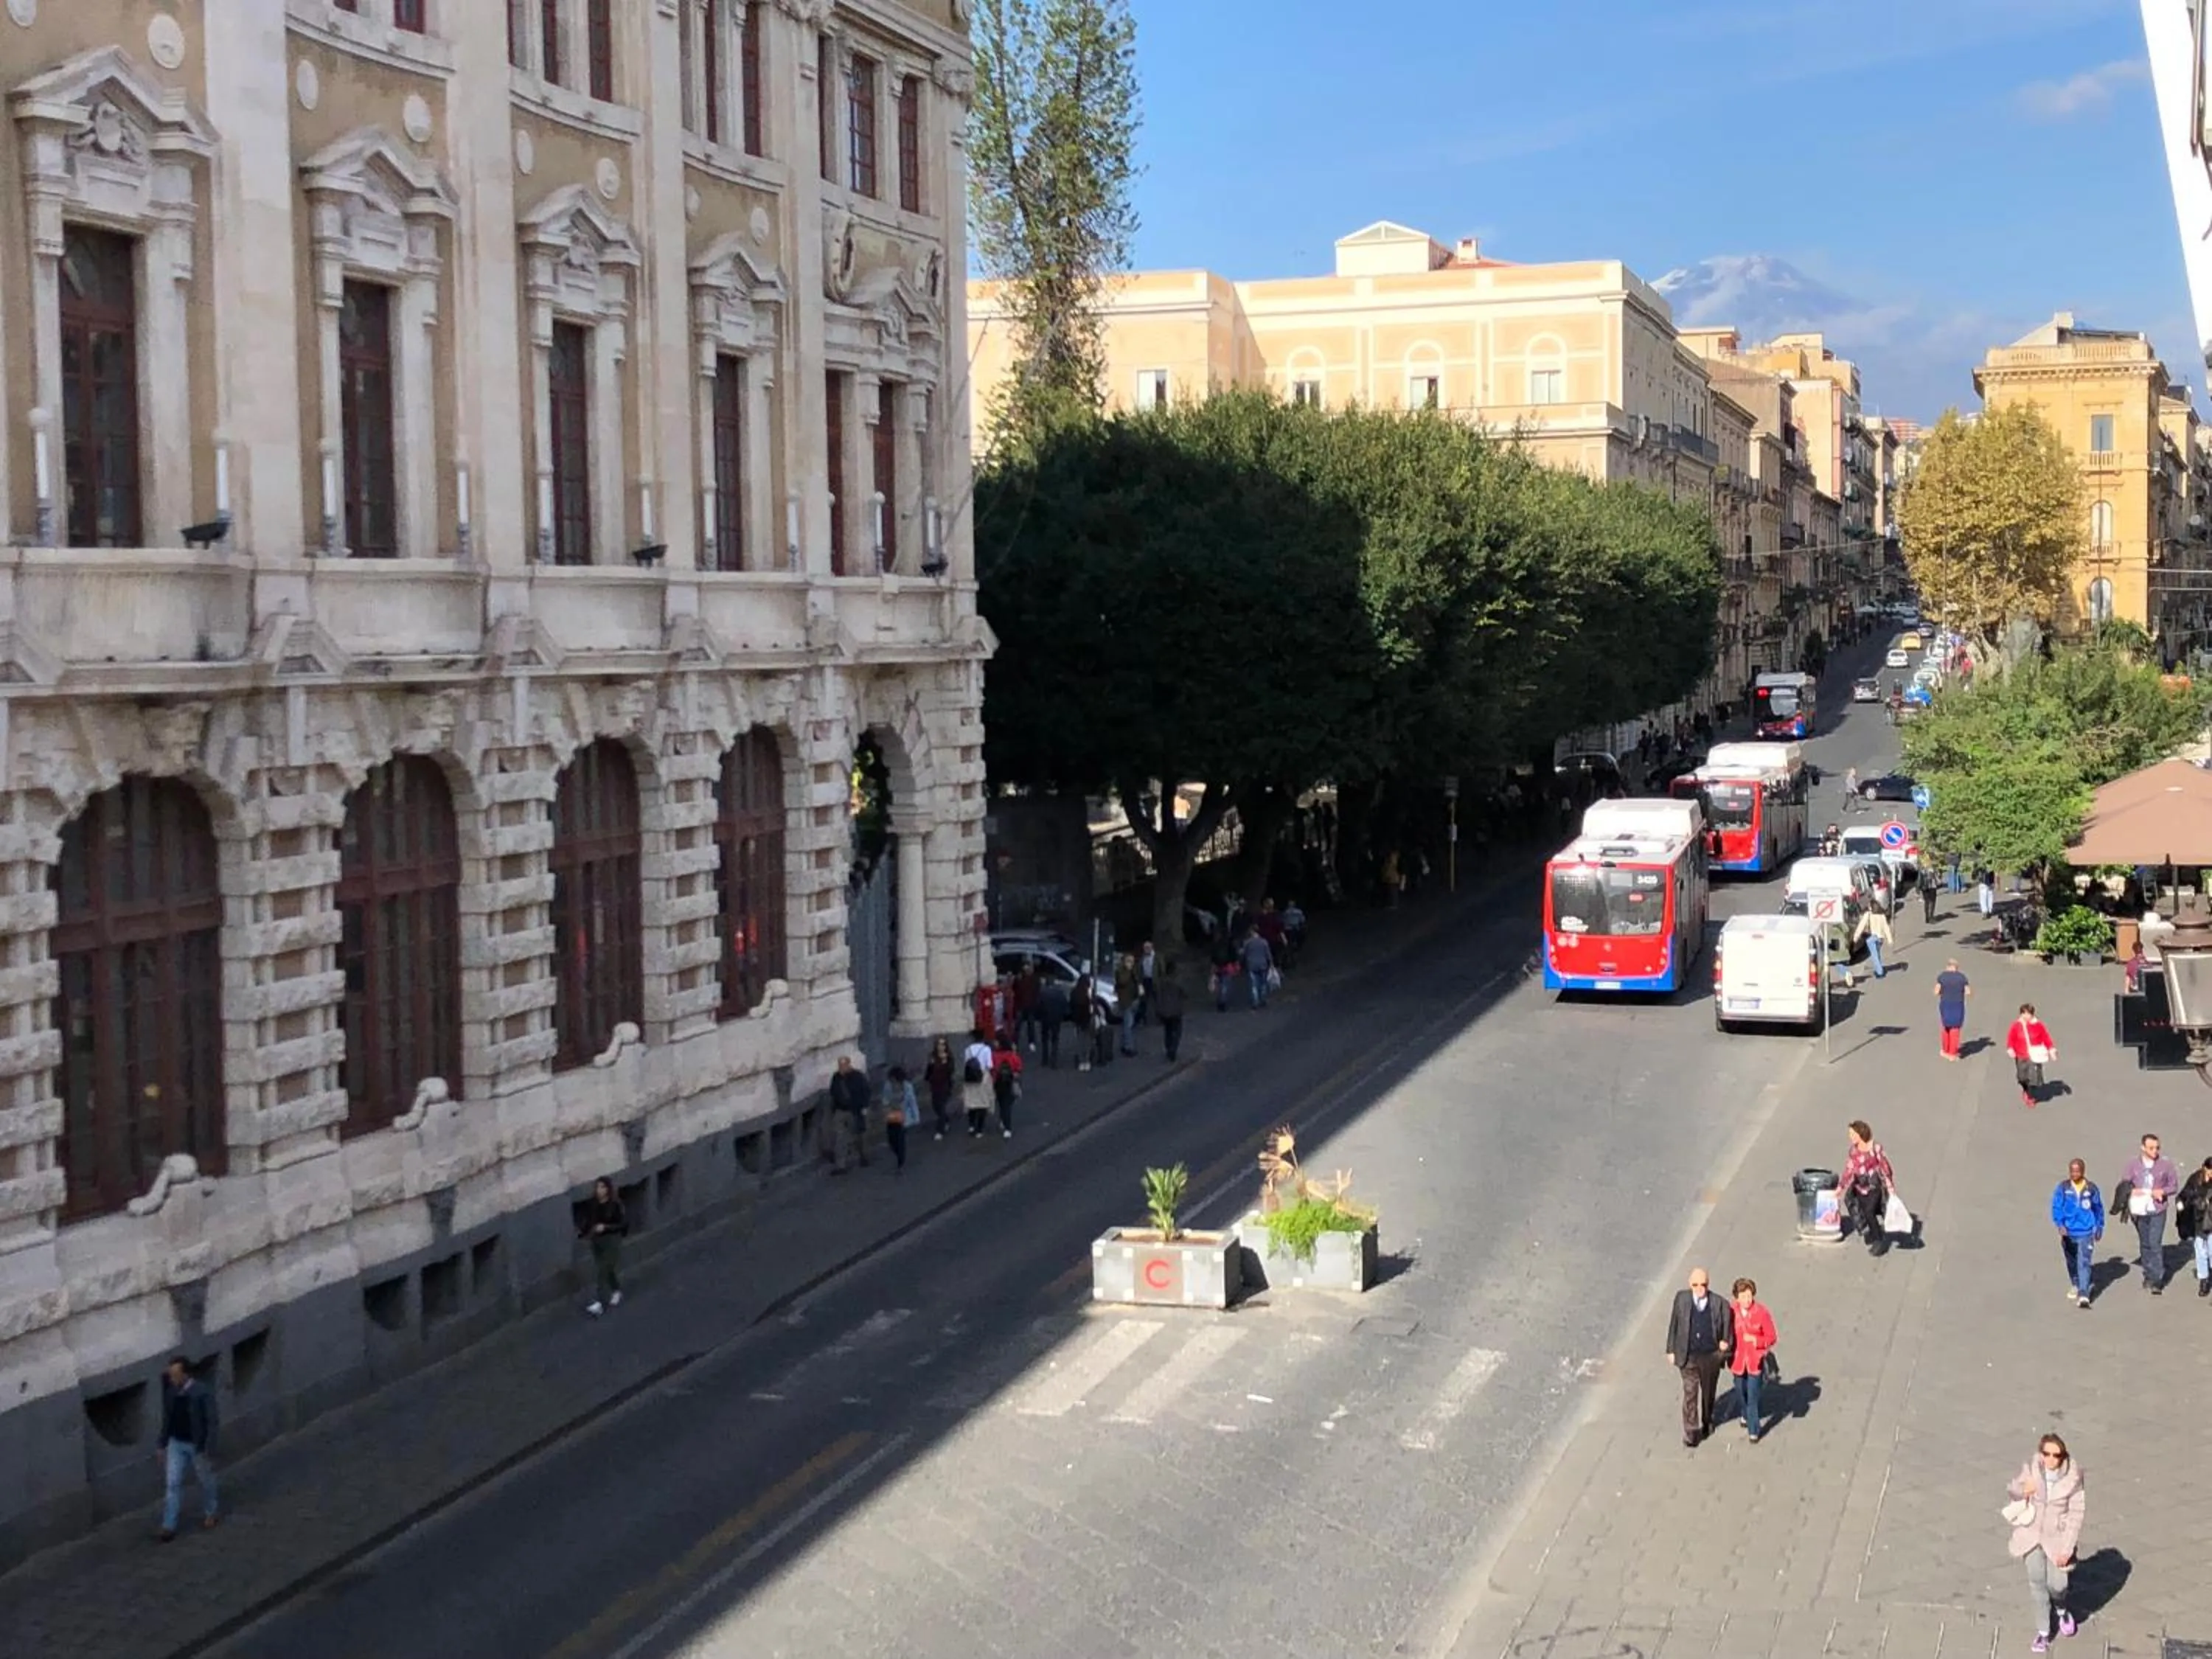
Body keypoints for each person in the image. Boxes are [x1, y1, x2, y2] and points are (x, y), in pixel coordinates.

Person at [2006, 1433, 2086, 1652]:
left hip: (2057, 1539)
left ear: (2063, 1456)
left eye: (2056, 1455)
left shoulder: (2073, 1477)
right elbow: (2013, 1490)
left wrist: (2067, 1549)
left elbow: (2077, 1513)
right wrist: (2023, 1490)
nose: (2050, 1459)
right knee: (2037, 1582)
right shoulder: (2032, 1469)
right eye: (2046, 1454)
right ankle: (2043, 1632)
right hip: (2031, 1536)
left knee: (2058, 1585)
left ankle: (2061, 1609)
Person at [1662, 1267, 1733, 1450]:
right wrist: (1670, 1349)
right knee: (1690, 1393)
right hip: (1688, 1355)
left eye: (1703, 1285)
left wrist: (1724, 1347)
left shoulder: (1720, 1304)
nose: (1700, 1288)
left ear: (1708, 1284)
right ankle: (1691, 1432)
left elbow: (1727, 1330)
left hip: (1710, 1356)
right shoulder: (1681, 1299)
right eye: (1695, 1285)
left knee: (1708, 1394)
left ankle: (1707, 1420)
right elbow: (1674, 1324)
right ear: (1690, 1284)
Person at [156, 1357, 219, 1541]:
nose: (172, 1379)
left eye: (175, 1375)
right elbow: (167, 1420)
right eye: (171, 1375)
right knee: (173, 1483)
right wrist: (162, 1444)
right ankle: (169, 1525)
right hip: (176, 1443)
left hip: (196, 1444)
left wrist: (208, 1446)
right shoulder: (171, 1393)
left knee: (205, 1480)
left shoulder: (201, 1391)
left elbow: (212, 1421)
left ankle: (211, 1512)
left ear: (185, 1374)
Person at [2116, 1132, 2180, 1295]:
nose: (2155, 1151)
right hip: (2139, 1210)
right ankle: (2148, 1274)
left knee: (2155, 1243)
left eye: (2157, 1148)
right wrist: (2133, 1191)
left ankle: (2157, 1280)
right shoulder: (2132, 1165)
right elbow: (2125, 1185)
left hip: (2158, 1209)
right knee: (2145, 1243)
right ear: (2143, 1148)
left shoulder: (2166, 1165)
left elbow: (2173, 1186)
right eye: (2151, 1148)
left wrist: (2162, 1191)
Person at [1726, 1278, 1778, 1443]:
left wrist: (1757, 1340)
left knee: (1753, 1397)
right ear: (1737, 1298)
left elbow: (1772, 1337)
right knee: (1740, 1392)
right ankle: (1744, 1413)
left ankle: (1754, 1430)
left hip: (1755, 1362)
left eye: (1749, 1296)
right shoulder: (1730, 1312)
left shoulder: (1761, 1312)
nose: (1747, 1300)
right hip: (1737, 1361)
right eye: (1743, 1296)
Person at [2049, 1159, 2104, 1309]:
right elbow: (2056, 1207)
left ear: (2083, 1171)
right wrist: (2060, 1224)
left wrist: (2099, 1226)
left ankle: (2084, 1293)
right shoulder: (2063, 1188)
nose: (2075, 1174)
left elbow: (2098, 1208)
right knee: (2072, 1260)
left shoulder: (2091, 1188)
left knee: (2084, 1261)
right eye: (2072, 1171)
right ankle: (2076, 1283)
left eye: (2077, 1171)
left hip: (2086, 1231)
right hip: (2068, 1232)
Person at [1843, 1119, 1897, 1257]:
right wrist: (1841, 1186)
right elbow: (1849, 1169)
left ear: (1861, 1134)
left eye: (1853, 1134)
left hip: (1874, 1187)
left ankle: (1879, 1240)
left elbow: (1885, 1167)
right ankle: (1868, 1230)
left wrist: (1890, 1185)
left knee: (1869, 1212)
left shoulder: (1875, 1149)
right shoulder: (1853, 1151)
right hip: (1859, 1187)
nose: (1850, 1137)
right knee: (1857, 1207)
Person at [580, 1176, 627, 1316]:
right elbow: (588, 1222)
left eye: (602, 1187)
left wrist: (606, 1227)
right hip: (597, 1241)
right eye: (597, 1187)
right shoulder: (593, 1204)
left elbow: (623, 1224)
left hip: (612, 1240)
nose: (599, 1190)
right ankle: (616, 1290)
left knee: (602, 1270)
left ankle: (597, 1302)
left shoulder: (615, 1204)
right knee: (607, 1269)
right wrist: (583, 1233)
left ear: (608, 1189)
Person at [2006, 1002, 2057, 1108]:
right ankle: (2025, 1089)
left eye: (2028, 1014)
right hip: (2021, 1055)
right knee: (2022, 1077)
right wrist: (2010, 1048)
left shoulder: (2038, 1025)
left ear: (2032, 1014)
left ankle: (2029, 1095)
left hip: (2034, 1056)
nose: (2025, 1016)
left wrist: (2051, 1050)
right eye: (2023, 1013)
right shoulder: (2016, 1026)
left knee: (2033, 1077)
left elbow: (2045, 1038)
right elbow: (2011, 1038)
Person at [828, 1054, 871, 1172]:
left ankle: (864, 1156)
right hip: (840, 1110)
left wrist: (865, 1106)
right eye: (840, 1066)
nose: (841, 1068)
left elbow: (866, 1091)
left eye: (843, 1065)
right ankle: (841, 1165)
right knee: (839, 1137)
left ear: (848, 1065)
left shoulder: (858, 1076)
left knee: (859, 1135)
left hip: (855, 1110)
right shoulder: (836, 1077)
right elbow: (833, 1092)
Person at [2179, 1156, 2212, 1299]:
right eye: (2210, 1170)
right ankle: (2204, 1280)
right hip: (2198, 1220)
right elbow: (2185, 1194)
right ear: (2204, 1167)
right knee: (2200, 1250)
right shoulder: (2195, 1179)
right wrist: (2182, 1202)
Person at [1151, 959, 1189, 1062]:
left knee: (1168, 1030)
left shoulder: (1161, 982)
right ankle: (1173, 1049)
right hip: (1176, 1011)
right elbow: (1185, 993)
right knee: (1177, 1031)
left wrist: (1158, 1009)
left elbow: (1157, 995)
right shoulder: (1178, 981)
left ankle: (1168, 1047)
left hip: (1165, 1011)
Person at [1933, 958, 1971, 1059]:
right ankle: (1952, 1053)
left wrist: (1944, 992)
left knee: (1946, 1027)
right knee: (1955, 1028)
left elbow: (1936, 992)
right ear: (1956, 967)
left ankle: (1945, 1050)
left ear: (1948, 966)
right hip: (1958, 1004)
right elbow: (1968, 992)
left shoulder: (1942, 976)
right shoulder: (1962, 977)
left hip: (1945, 1004)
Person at [879, 1065, 915, 1172]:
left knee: (900, 1140)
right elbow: (885, 1099)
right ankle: (897, 1154)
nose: (892, 1081)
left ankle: (901, 1162)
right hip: (891, 1114)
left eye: (893, 1079)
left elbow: (911, 1102)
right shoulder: (888, 1086)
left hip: (902, 1115)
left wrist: (912, 1116)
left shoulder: (907, 1087)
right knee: (892, 1139)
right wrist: (885, 1110)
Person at [959, 1028, 995, 1136]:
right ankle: (979, 1129)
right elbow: (989, 1065)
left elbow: (966, 1063)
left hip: (970, 1078)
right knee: (983, 1103)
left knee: (972, 1102)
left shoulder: (968, 1050)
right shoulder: (986, 1049)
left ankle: (971, 1125)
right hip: (983, 1077)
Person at [989, 1029, 1023, 1138]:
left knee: (1001, 1104)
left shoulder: (994, 1055)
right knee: (1007, 1105)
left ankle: (1005, 1123)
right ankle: (1006, 1126)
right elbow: (1019, 1067)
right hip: (1010, 1082)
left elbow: (991, 1068)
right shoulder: (1012, 1055)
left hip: (998, 1083)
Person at [922, 1036, 956, 1140]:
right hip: (935, 1085)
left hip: (945, 1085)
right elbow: (928, 1072)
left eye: (943, 1045)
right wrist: (931, 1065)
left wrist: (945, 1062)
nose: (941, 1047)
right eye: (939, 1044)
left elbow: (951, 1071)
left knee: (941, 1106)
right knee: (935, 1106)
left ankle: (940, 1130)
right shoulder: (933, 1056)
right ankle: (945, 1120)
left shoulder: (949, 1057)